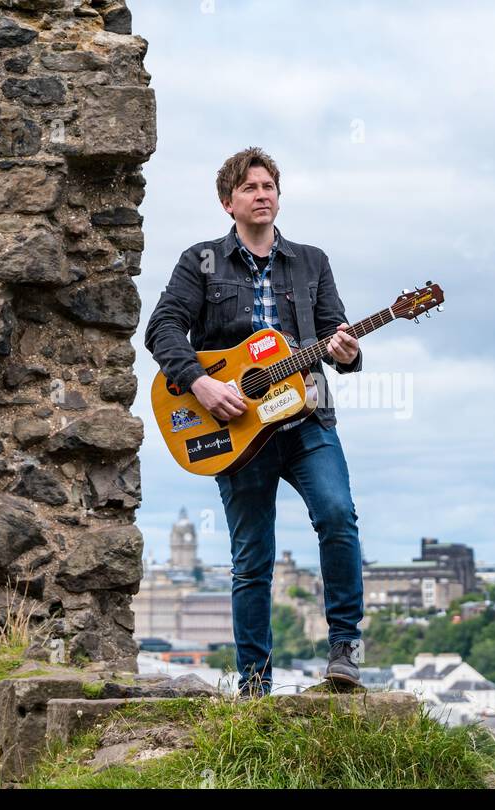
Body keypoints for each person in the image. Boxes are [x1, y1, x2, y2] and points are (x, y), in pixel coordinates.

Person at [144, 147, 366, 697]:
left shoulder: (312, 261)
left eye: (269, 186)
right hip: (237, 429)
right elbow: (163, 328)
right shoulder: (200, 261)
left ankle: (344, 651)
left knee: (338, 515)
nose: (262, 194)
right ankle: (255, 684)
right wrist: (201, 382)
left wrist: (346, 351)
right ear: (228, 203)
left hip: (307, 418)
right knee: (252, 559)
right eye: (250, 188)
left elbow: (338, 339)